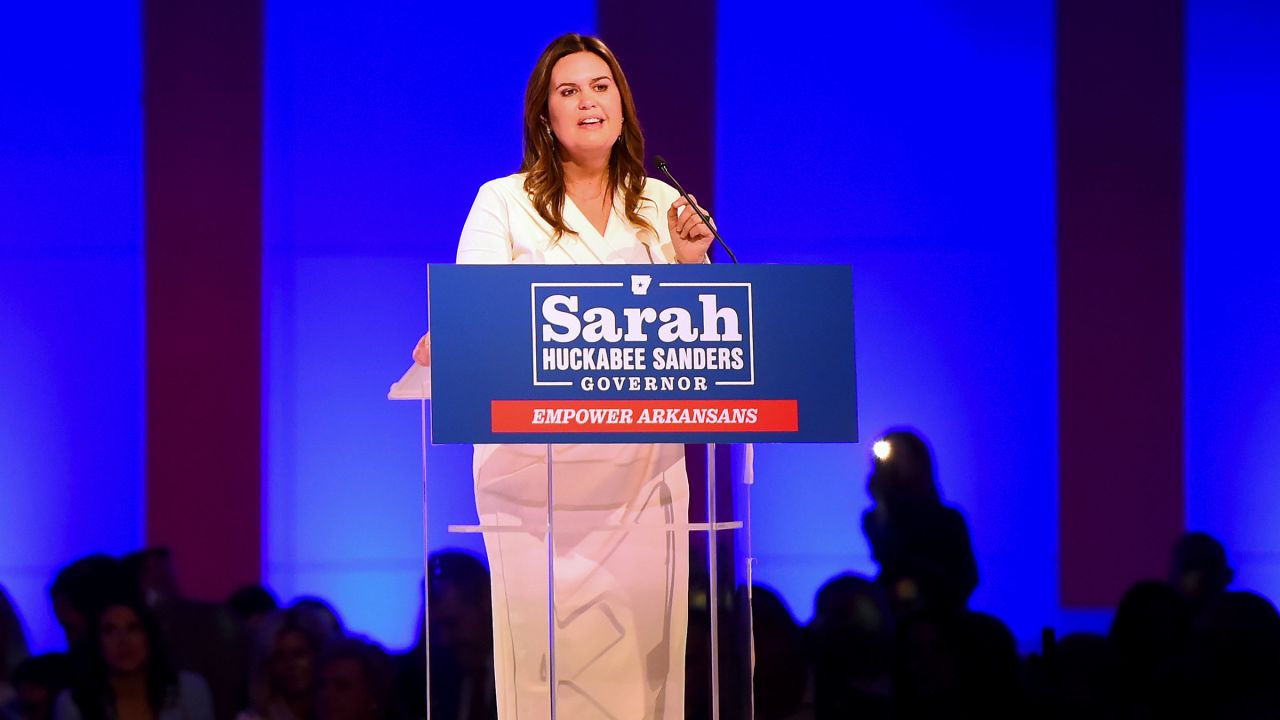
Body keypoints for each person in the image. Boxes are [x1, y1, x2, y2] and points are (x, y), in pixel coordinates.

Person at [411, 32, 714, 719]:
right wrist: (454, 336)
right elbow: (476, 313)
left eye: (600, 87)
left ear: (622, 106)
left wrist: (694, 263)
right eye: (567, 91)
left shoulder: (659, 204)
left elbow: (691, 340)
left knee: (645, 675)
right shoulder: (503, 202)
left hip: (643, 476)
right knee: (550, 676)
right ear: (544, 116)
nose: (587, 102)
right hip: (535, 479)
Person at [861, 430, 978, 616]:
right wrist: (882, 502)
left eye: (901, 455)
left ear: (919, 461)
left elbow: (967, 576)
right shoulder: (874, 518)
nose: (895, 463)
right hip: (894, 612)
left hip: (946, 612)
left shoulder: (949, 519)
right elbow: (888, 556)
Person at [52, 597, 214, 720]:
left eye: (133, 628)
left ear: (149, 637)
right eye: (110, 631)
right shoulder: (73, 704)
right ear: (97, 642)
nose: (123, 640)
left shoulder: (190, 689)